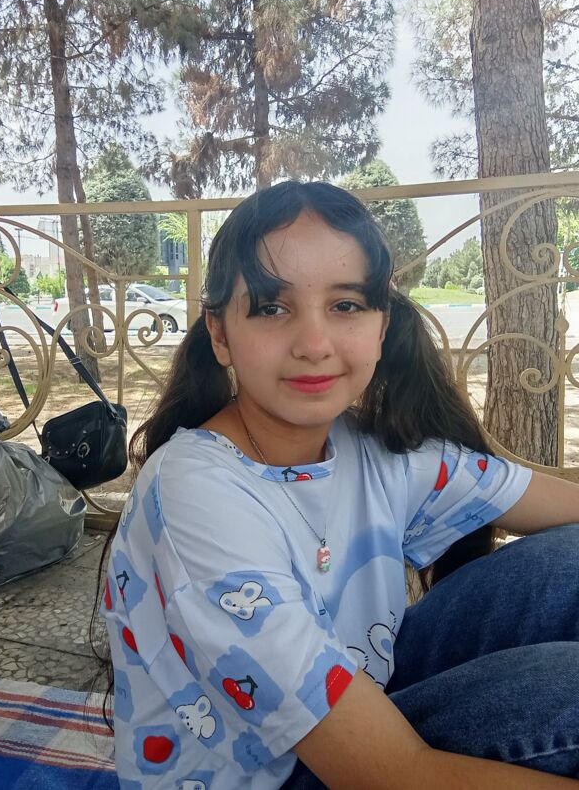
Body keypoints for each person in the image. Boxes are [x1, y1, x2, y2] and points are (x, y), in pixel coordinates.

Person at [97, 181, 579, 789]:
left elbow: (554, 504)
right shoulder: (196, 491)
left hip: (361, 711)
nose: (314, 345)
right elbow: (397, 775)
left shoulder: (369, 451)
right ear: (220, 334)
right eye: (271, 308)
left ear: (381, 325)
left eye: (346, 305)